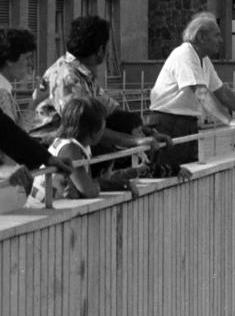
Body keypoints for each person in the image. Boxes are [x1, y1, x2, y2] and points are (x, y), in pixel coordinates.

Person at [30, 15, 165, 166]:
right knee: (111, 158)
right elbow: (84, 125)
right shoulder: (67, 76)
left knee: (126, 124)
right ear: (100, 49)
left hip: (71, 141)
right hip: (50, 148)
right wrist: (134, 141)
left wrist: (146, 132)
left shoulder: (82, 73)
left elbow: (110, 110)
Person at [147, 13, 235, 174]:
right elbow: (201, 92)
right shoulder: (184, 55)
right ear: (201, 37)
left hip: (187, 123)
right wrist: (229, 121)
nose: (221, 40)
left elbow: (222, 91)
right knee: (169, 175)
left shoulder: (203, 59)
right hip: (168, 124)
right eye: (216, 35)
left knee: (189, 174)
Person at [0, 29, 73, 191]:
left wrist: (36, 102)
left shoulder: (5, 90)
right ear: (10, 60)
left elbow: (12, 133)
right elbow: (9, 140)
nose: (30, 64)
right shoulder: (2, 92)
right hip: (8, 181)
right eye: (27, 58)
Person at [26, 96, 106, 207]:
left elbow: (82, 189)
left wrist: (80, 191)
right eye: (104, 121)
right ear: (94, 129)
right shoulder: (69, 148)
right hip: (41, 211)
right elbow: (88, 191)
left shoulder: (69, 143)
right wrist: (96, 186)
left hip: (48, 208)